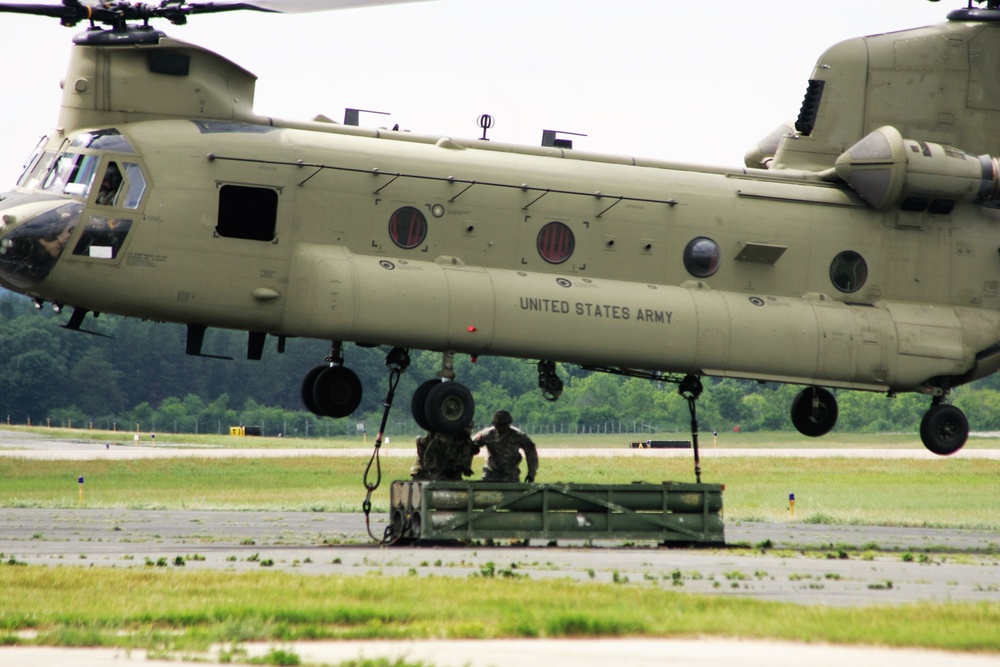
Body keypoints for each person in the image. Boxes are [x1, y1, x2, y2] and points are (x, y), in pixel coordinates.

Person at [476, 410, 539, 483]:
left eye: (502, 425)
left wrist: (531, 474)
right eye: (497, 425)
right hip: (491, 474)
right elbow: (470, 446)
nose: (499, 428)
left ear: (508, 424)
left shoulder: (517, 435)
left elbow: (531, 451)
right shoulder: (487, 435)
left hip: (510, 476)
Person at [409, 428, 480, 481]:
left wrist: (461, 469)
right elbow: (429, 457)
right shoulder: (443, 438)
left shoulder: (467, 443)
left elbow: (464, 458)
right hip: (427, 471)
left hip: (448, 472)